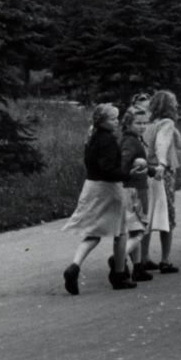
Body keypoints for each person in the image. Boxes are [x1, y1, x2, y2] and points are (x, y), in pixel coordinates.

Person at [62, 103, 140, 294]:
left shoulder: (92, 137)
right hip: (109, 188)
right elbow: (109, 169)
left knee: (93, 232)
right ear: (103, 121)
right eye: (113, 119)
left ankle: (74, 266)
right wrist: (128, 173)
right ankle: (119, 274)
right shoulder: (108, 140)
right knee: (120, 232)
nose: (117, 122)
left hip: (91, 186)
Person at [141, 90, 181, 274]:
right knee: (167, 214)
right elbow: (162, 144)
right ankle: (165, 259)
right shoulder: (167, 123)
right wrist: (163, 163)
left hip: (146, 171)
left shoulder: (147, 124)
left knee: (147, 214)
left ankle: (144, 257)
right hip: (161, 172)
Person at [119, 105, 155, 282]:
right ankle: (119, 258)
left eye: (144, 123)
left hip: (134, 187)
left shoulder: (133, 139)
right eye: (138, 123)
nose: (142, 126)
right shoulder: (131, 142)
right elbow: (125, 162)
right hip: (135, 190)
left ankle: (138, 267)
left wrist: (151, 170)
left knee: (135, 230)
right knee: (140, 228)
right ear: (128, 124)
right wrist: (128, 173)